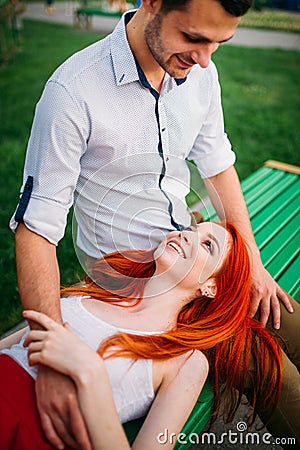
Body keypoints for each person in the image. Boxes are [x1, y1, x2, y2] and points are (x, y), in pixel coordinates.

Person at [9, 0, 299, 448]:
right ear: (153, 3)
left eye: (218, 43)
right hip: (134, 283)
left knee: (291, 318)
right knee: (282, 381)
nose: (204, 59)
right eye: (194, 38)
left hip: (194, 251)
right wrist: (51, 363)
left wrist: (252, 263)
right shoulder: (74, 90)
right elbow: (37, 227)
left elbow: (218, 166)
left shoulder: (201, 72)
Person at [0, 222, 283, 450]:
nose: (186, 235)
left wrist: (91, 373)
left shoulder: (186, 361)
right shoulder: (100, 289)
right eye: (190, 229)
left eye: (208, 245)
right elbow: (22, 338)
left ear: (211, 287)